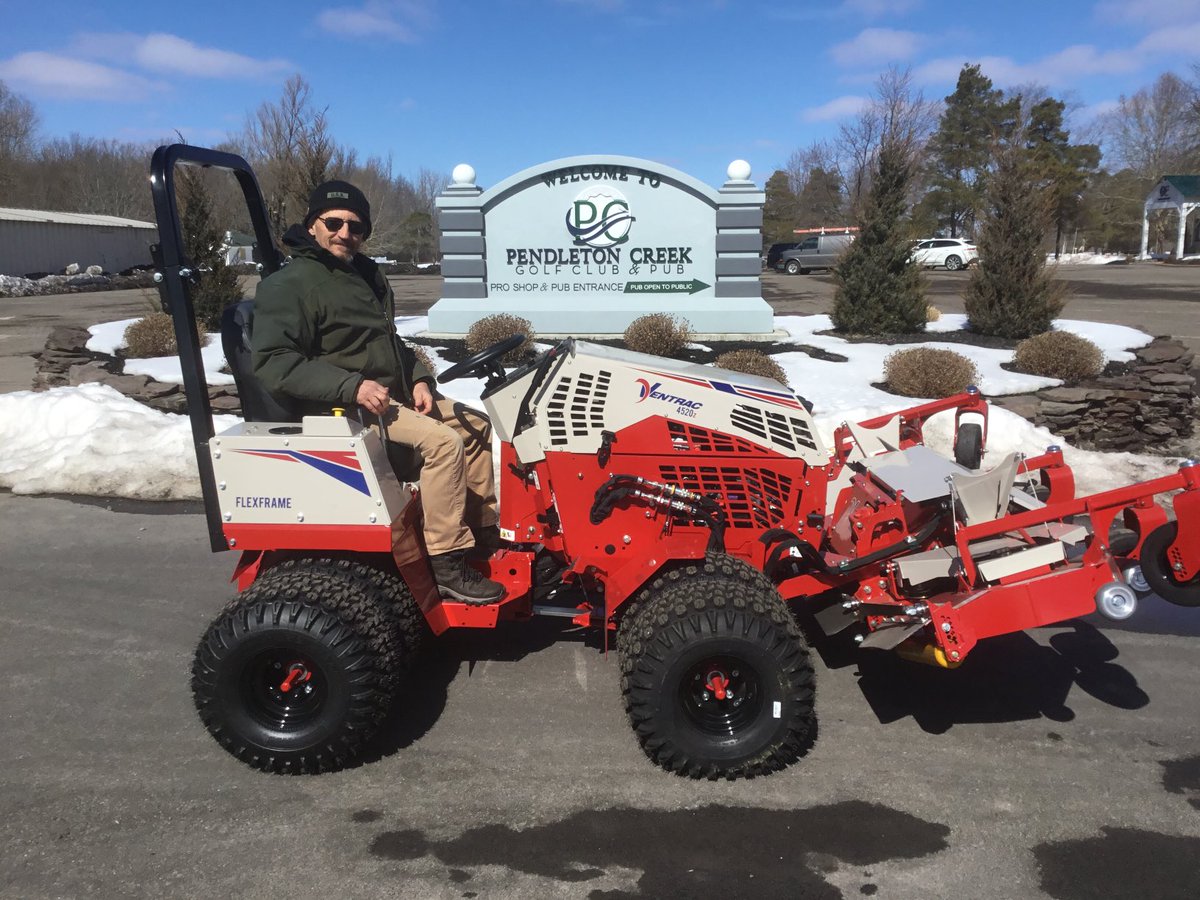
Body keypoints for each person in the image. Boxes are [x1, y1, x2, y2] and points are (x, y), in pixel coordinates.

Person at [252, 179, 504, 605]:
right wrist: (351, 385)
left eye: (355, 227)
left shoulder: (364, 275)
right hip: (340, 406)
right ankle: (446, 562)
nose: (344, 233)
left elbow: (388, 342)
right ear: (312, 225)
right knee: (444, 443)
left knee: (475, 426)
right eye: (334, 223)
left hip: (388, 395)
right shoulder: (289, 284)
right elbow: (275, 361)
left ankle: (479, 534)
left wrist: (419, 377)